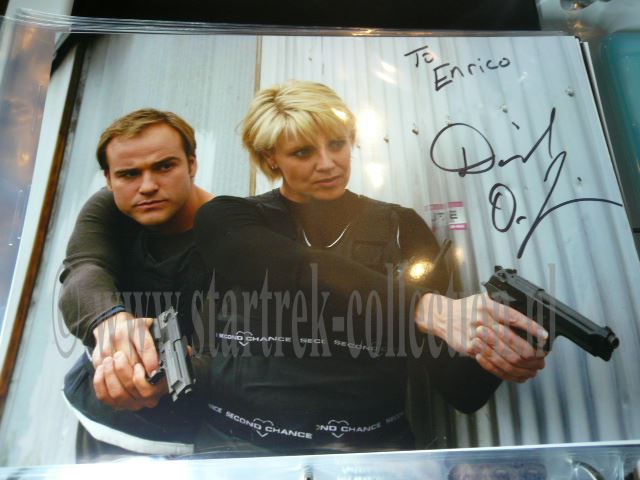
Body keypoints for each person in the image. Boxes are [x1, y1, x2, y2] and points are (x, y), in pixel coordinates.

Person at [190, 80, 549, 454]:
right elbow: (296, 269)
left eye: (337, 144)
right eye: (303, 152)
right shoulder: (228, 219)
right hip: (239, 451)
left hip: (370, 456)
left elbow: (459, 387)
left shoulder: (400, 228)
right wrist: (424, 306)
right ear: (270, 158)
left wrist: (509, 341)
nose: (327, 163)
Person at [60, 108, 213, 460]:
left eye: (164, 167)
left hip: (191, 441)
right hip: (101, 421)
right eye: (129, 174)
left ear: (192, 164)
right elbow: (83, 269)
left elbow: (251, 351)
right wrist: (111, 323)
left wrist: (185, 368)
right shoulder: (108, 208)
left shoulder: (234, 232)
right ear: (109, 178)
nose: (147, 186)